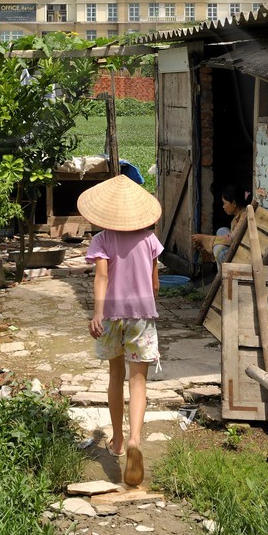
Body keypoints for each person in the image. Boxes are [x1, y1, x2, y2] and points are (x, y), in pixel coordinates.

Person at [79, 174, 163, 489]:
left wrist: (98, 312)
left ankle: (116, 439)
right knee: (138, 380)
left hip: (112, 315)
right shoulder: (150, 241)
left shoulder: (102, 240)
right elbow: (155, 285)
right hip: (141, 315)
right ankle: (136, 440)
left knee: (116, 377)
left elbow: (101, 278)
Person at [191, 183, 246, 265]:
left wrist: (204, 239)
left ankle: (224, 274)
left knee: (217, 249)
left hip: (243, 258)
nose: (223, 206)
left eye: (224, 203)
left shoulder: (245, 217)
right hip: (236, 247)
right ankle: (211, 248)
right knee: (221, 231)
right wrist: (206, 243)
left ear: (234, 203)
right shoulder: (236, 219)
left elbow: (231, 240)